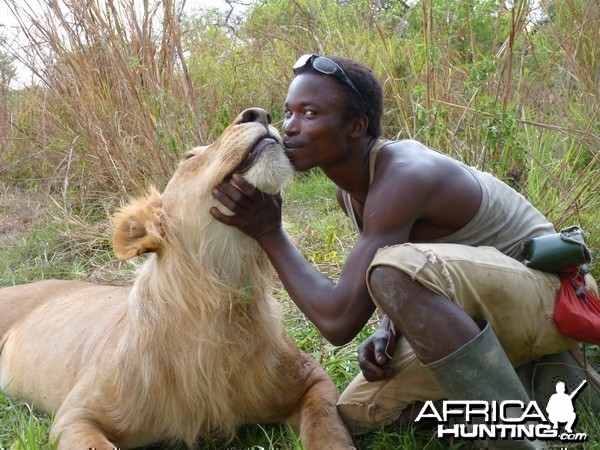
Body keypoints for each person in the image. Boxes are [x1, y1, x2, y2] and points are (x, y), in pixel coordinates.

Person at [210, 54, 599, 447]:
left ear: (356, 126)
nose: (288, 129)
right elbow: (423, 263)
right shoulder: (350, 190)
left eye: (310, 114)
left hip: (559, 297)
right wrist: (389, 327)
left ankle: (517, 437)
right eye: (288, 113)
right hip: (486, 309)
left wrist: (270, 232)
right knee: (358, 410)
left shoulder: (404, 174)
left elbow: (339, 320)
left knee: (390, 271)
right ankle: (536, 382)